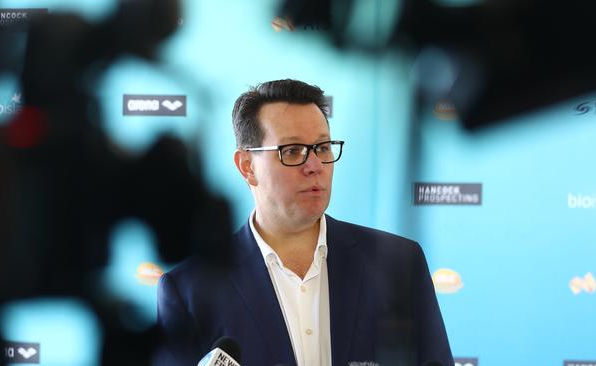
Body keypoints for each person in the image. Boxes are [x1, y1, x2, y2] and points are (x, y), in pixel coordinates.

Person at [157, 79, 453, 366]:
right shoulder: (190, 290)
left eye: (323, 148)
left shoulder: (398, 263)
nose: (314, 167)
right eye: (293, 151)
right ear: (247, 166)